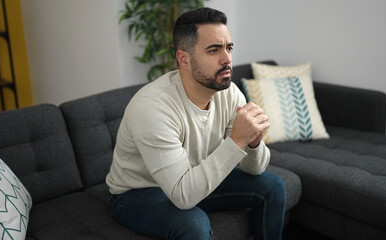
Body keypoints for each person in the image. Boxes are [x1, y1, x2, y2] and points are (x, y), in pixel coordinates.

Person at [106, 7, 286, 240]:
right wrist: (238, 139)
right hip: (137, 192)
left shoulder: (229, 92)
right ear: (184, 59)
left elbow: (256, 168)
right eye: (214, 50)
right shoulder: (152, 108)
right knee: (193, 224)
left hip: (194, 176)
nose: (227, 59)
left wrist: (253, 143)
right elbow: (183, 196)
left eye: (228, 48)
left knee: (273, 186)